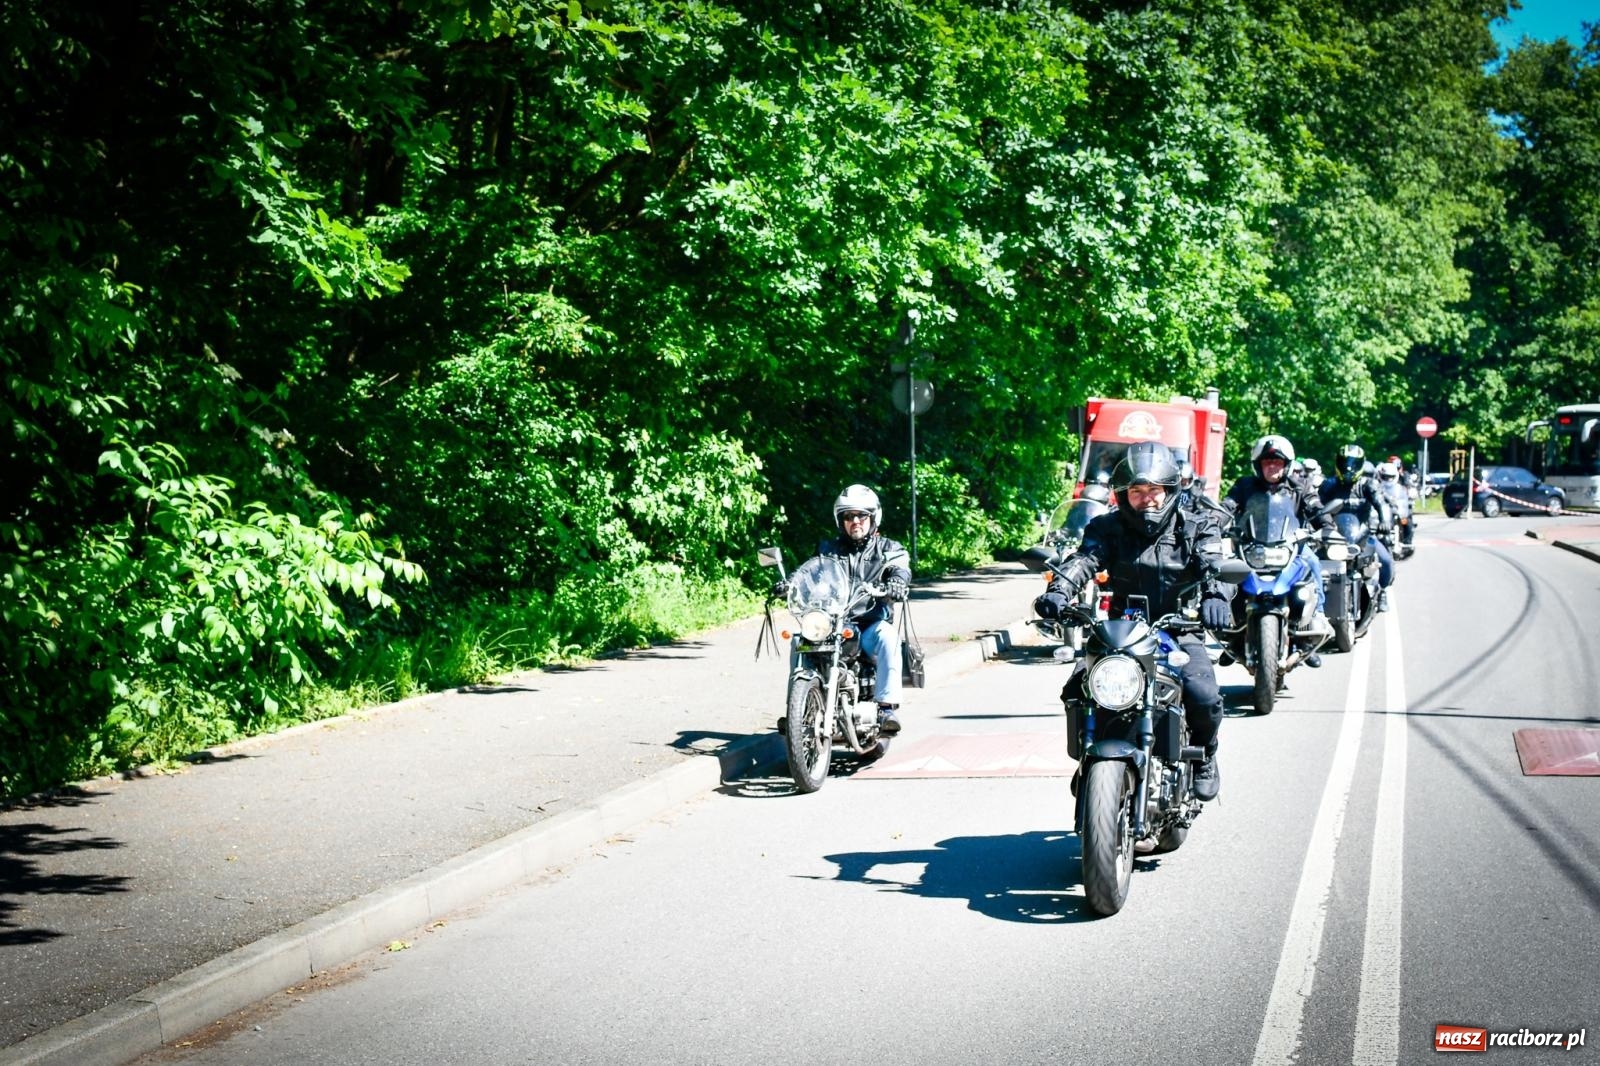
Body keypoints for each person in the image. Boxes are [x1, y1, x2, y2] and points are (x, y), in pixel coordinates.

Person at [1032, 442, 1233, 801]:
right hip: (1123, 628)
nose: (1147, 499)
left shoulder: (1197, 526)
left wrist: (1216, 595)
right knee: (1078, 688)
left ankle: (1205, 754)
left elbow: (1213, 565)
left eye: (1154, 490)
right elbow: (1085, 560)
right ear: (1124, 495)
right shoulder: (1107, 527)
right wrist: (1059, 590)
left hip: (1177, 629)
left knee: (1203, 695)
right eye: (1137, 491)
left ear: (1169, 490)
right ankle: (1092, 760)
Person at [777, 484, 912, 735]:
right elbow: (811, 571)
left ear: (873, 518)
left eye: (862, 515)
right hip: (831, 622)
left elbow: (900, 568)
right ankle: (796, 711)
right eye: (849, 516)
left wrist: (897, 582)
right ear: (841, 521)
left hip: (869, 624)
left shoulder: (888, 549)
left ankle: (886, 709)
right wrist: (791, 583)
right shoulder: (828, 549)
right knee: (798, 640)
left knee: (888, 637)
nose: (855, 521)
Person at [1222, 434, 1333, 656]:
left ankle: (1317, 616)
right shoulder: (1244, 486)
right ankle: (1231, 629)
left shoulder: (1299, 486)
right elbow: (1227, 506)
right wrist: (1214, 522)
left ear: (1286, 464)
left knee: (1312, 560)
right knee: (1226, 571)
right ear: (1258, 465)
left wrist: (1327, 526)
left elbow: (1315, 507)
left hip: (1291, 545)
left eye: (1277, 462)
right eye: (1267, 462)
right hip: (1252, 546)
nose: (1272, 466)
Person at [1318, 444, 1395, 611]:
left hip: (1362, 535)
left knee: (1386, 561)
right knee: (1312, 563)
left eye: (1354, 463)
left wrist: (1385, 521)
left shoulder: (1368, 484)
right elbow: (1315, 506)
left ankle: (1383, 591)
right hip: (1333, 537)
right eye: (1345, 462)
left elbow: (1381, 503)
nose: (1348, 468)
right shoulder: (1328, 485)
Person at [1375, 461, 1415, 553]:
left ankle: (1408, 543)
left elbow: (1404, 497)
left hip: (1397, 511)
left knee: (1407, 522)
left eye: (1390, 477)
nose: (1388, 479)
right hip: (1384, 513)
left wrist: (1408, 501)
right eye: (1386, 477)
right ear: (1381, 476)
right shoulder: (1377, 486)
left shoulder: (1400, 488)